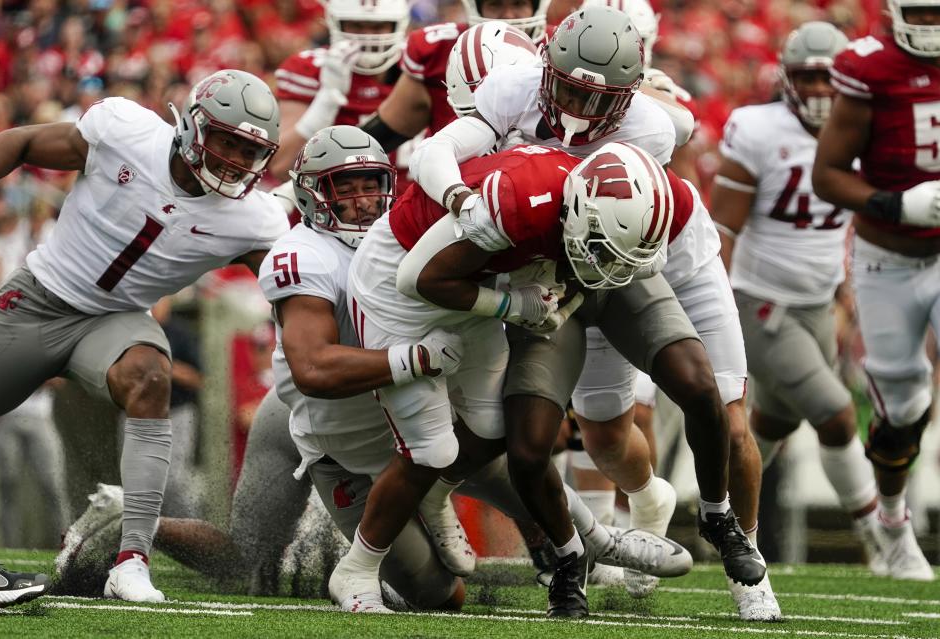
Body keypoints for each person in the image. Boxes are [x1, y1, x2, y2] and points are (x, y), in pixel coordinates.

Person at [409, 3, 766, 602]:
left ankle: (720, 517)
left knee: (707, 391)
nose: (576, 113)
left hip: (628, 260)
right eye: (568, 92)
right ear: (545, 67)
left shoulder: (648, 130)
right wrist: (458, 199)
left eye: (597, 101)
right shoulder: (509, 90)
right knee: (560, 438)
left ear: (628, 99)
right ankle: (573, 555)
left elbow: (627, 228)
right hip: (549, 273)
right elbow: (440, 154)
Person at [335, 139, 694, 618]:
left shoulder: (605, 199)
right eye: (601, 248)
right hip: (398, 290)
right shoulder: (519, 203)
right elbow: (416, 278)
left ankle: (441, 499)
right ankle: (356, 570)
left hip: (469, 283)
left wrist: (538, 299)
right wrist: (511, 306)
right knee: (432, 449)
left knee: (492, 427)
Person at [0, 68, 289, 606]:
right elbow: (23, 140)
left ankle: (132, 561)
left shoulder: (254, 219)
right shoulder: (125, 131)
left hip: (116, 320)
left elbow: (296, 293)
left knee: (150, 377)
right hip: (39, 300)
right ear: (194, 127)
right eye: (226, 141)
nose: (236, 160)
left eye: (249, 150)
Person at [712, 21, 886, 579]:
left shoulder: (865, 127)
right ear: (787, 79)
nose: (817, 89)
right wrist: (715, 310)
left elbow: (852, 224)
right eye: (807, 77)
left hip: (818, 303)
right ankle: (883, 540)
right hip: (760, 300)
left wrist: (847, 291)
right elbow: (724, 230)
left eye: (827, 78)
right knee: (835, 416)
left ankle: (721, 515)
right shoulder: (757, 128)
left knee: (774, 423)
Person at [812, 0, 940, 582]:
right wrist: (892, 201)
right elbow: (829, 172)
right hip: (887, 257)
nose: (931, 24)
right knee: (902, 406)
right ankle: (893, 520)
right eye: (922, 12)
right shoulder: (868, 67)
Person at [362, 0, 551, 152]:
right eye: (495, 4)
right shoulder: (439, 50)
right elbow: (381, 136)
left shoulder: (562, 47)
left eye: (518, 4)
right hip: (459, 179)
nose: (509, 15)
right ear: (474, 6)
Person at [269, 0, 410, 178]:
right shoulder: (309, 69)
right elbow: (280, 167)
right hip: (332, 200)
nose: (367, 36)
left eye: (378, 26)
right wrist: (326, 100)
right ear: (334, 22)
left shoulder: (420, 65)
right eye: (356, 26)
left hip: (410, 200)